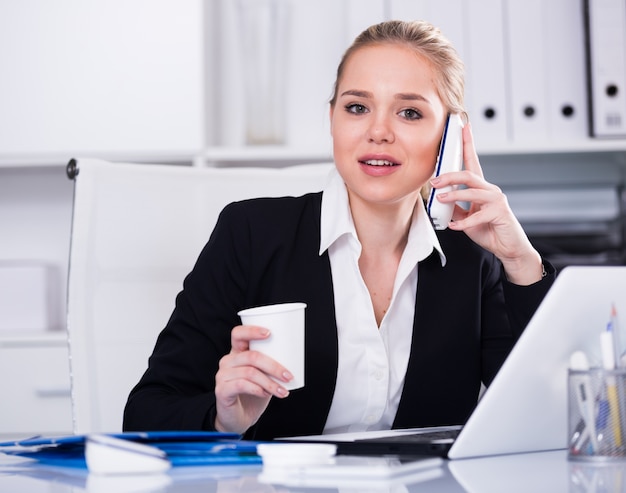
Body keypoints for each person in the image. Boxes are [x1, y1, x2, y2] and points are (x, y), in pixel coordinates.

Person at [123, 19, 555, 439]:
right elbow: (147, 412)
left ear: (451, 134)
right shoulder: (250, 234)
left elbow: (547, 417)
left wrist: (521, 262)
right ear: (332, 120)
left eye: (409, 112)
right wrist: (223, 419)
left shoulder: (472, 259)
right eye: (357, 107)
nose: (378, 132)